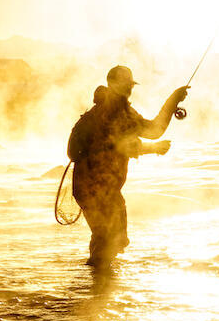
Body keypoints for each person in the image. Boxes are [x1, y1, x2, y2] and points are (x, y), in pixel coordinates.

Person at [67, 65, 189, 265]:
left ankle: (94, 281)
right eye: (125, 84)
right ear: (112, 84)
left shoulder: (105, 111)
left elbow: (120, 144)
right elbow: (151, 131)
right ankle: (97, 280)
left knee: (106, 240)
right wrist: (173, 100)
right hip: (99, 190)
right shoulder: (116, 112)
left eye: (130, 85)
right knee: (109, 240)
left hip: (91, 189)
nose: (129, 88)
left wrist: (173, 100)